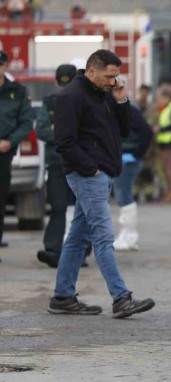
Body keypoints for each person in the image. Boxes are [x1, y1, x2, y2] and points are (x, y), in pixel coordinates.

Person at [48, 49, 155, 318]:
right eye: (109, 76)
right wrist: (90, 169)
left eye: (116, 77)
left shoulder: (105, 93)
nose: (113, 81)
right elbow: (64, 142)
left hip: (102, 172)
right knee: (103, 236)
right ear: (91, 70)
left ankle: (62, 296)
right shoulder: (71, 97)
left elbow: (124, 130)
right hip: (87, 175)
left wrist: (121, 101)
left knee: (77, 237)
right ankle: (121, 297)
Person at [35, 64, 83, 268]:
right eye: (61, 84)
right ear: (56, 82)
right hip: (57, 163)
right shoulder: (49, 103)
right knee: (57, 207)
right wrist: (67, 134)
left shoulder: (83, 103)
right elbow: (42, 131)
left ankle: (81, 250)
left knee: (82, 209)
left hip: (80, 163)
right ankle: (53, 249)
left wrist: (59, 131)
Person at [0, 49, 34, 261]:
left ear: (5, 67)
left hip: (3, 153)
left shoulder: (17, 92)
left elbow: (26, 122)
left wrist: (9, 142)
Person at [113, 104, 153, 251]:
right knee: (123, 194)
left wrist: (136, 154)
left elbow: (147, 132)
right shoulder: (120, 109)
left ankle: (130, 235)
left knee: (124, 195)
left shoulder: (128, 110)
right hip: (123, 157)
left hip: (128, 158)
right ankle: (126, 234)